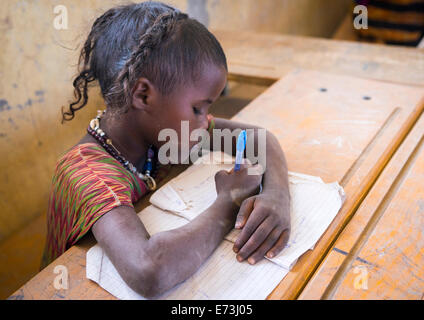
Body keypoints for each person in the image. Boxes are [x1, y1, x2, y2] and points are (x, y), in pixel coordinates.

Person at [42, 1, 290, 298]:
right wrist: (229, 201)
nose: (206, 120)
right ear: (144, 95)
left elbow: (260, 140)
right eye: (198, 108)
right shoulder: (85, 173)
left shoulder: (165, 130)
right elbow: (149, 270)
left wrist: (277, 195)